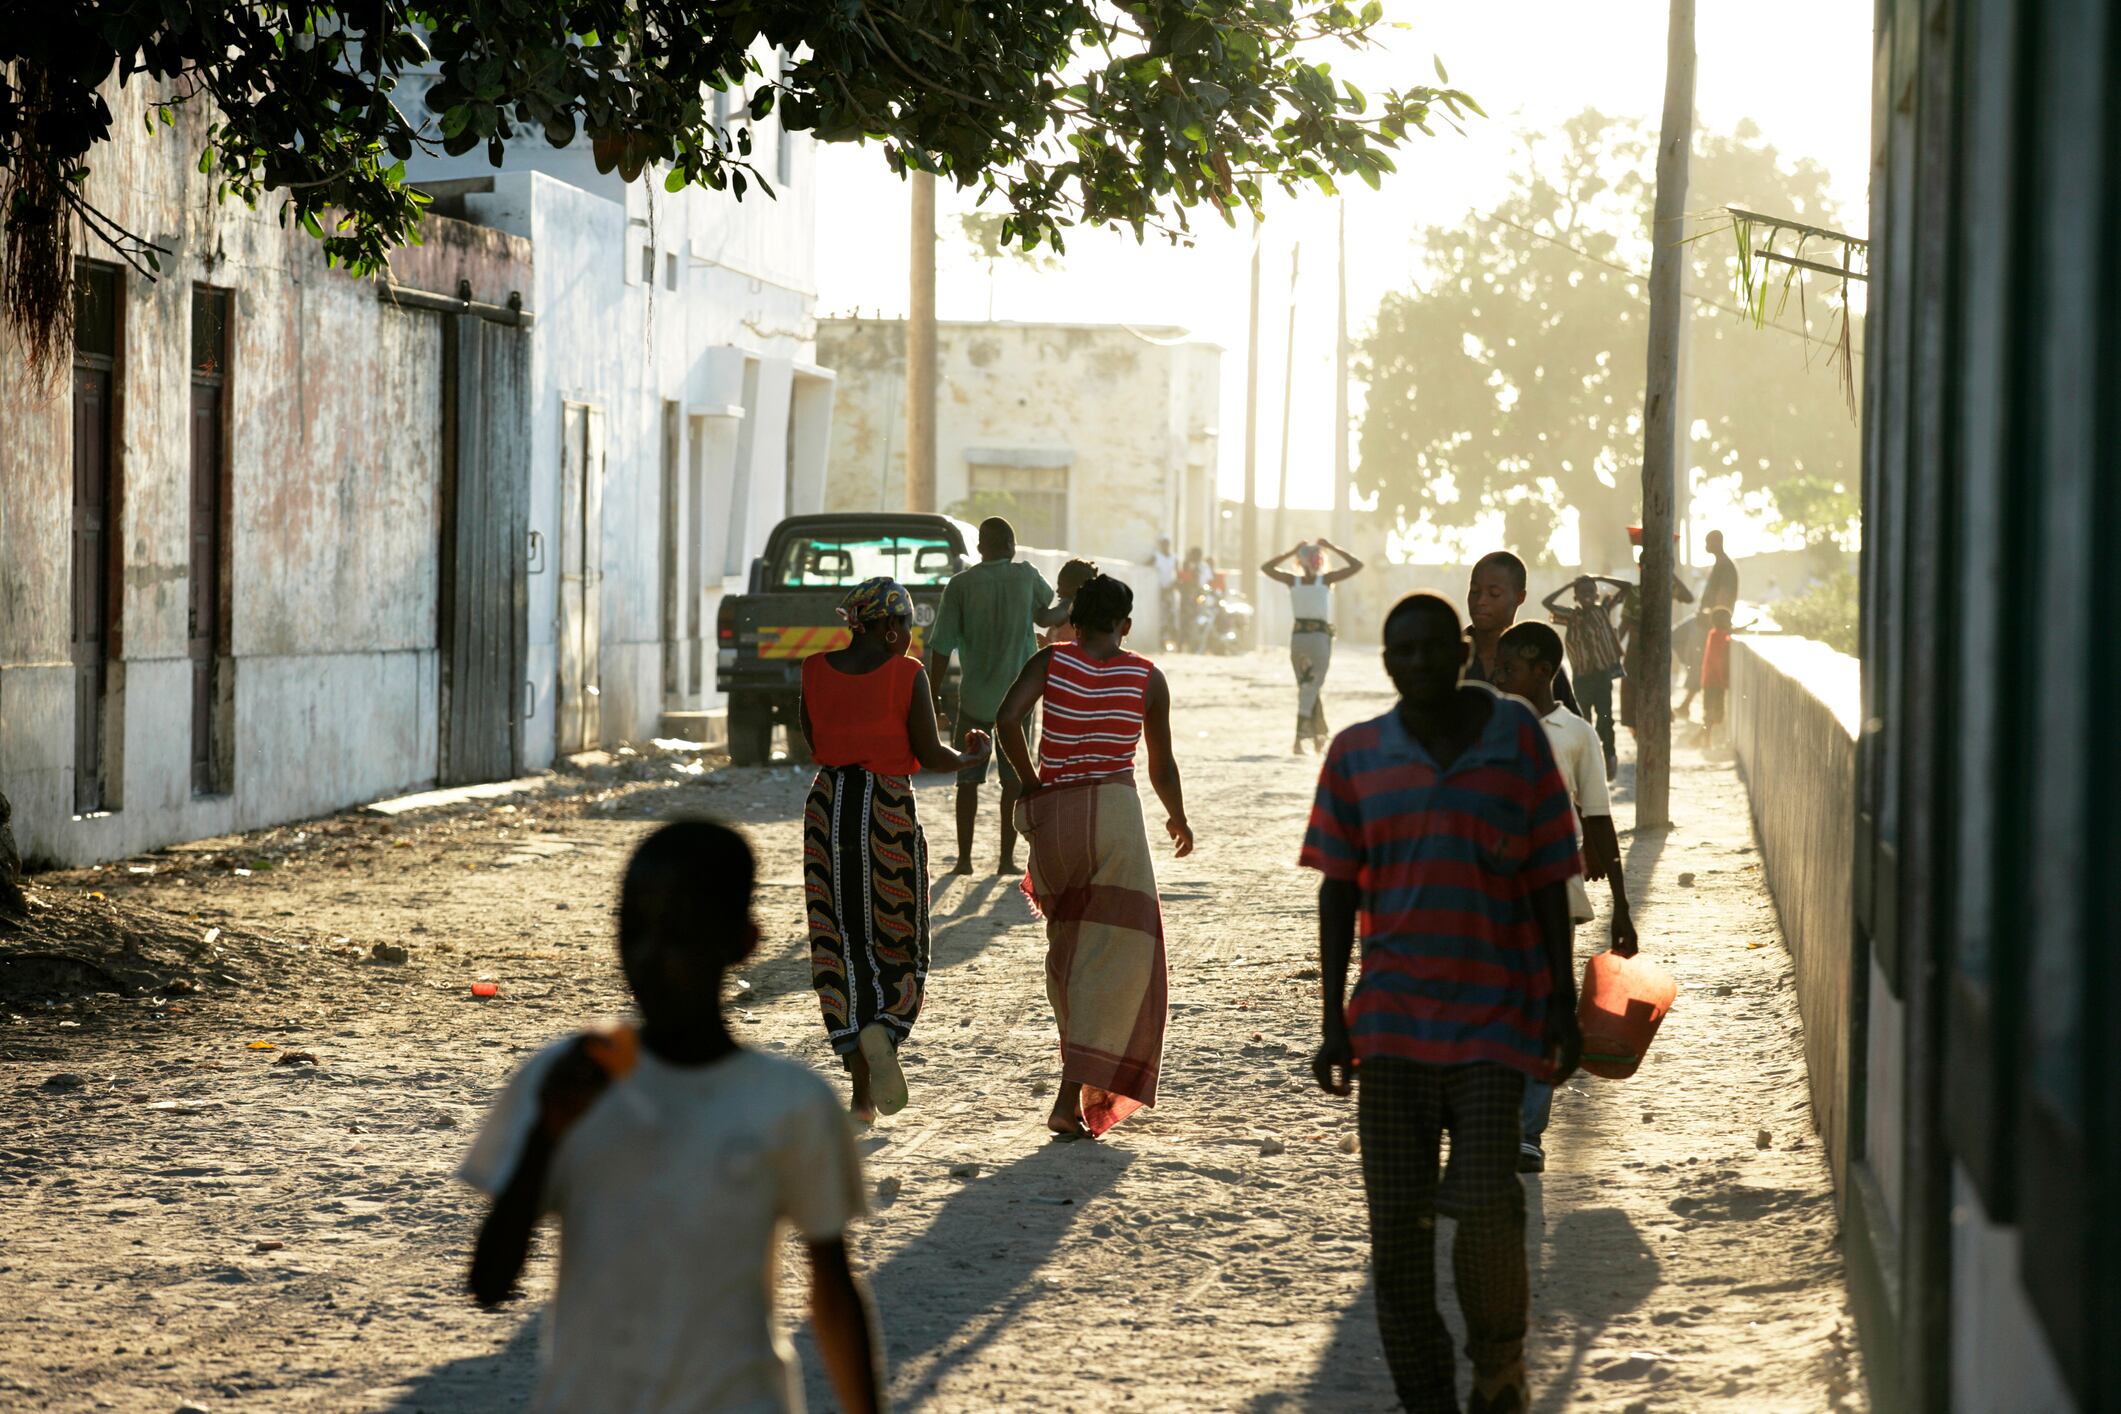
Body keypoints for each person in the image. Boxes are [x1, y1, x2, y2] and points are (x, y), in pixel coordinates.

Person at [461, 821, 882, 1414]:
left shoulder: (789, 1103)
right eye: (634, 932)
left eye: (681, 934)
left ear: (743, 941)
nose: (651, 957)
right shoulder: (565, 1083)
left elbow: (833, 1290)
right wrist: (544, 1135)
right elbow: (489, 1284)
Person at [1304, 592, 1582, 1414]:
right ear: (1386, 663)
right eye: (1402, 653)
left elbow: (1546, 880)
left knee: (1490, 1208)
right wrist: (1330, 1022)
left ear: (1459, 652)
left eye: (1432, 648)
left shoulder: (1515, 741)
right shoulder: (1358, 754)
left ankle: (1498, 1366)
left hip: (1495, 1019)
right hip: (1388, 1030)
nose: (1418, 663)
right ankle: (1428, 1397)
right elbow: (1335, 892)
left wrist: (1560, 1007)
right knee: (1396, 1240)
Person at [996, 574, 1192, 1139]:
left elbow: (1006, 720)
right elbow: (1161, 765)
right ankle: (1069, 1096)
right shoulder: (1147, 677)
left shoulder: (1051, 661)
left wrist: (1032, 782)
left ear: (1075, 622)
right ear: (1125, 624)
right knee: (1118, 961)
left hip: (1056, 822)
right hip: (1114, 819)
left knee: (1071, 948)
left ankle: (1073, 1088)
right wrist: (1177, 817)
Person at [801, 577, 991, 1120]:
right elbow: (930, 753)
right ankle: (887, 1026)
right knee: (901, 938)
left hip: (828, 809)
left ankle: (860, 1094)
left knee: (839, 940)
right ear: (889, 630)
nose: (910, 637)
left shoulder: (813, 670)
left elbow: (815, 742)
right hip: (886, 811)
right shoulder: (908, 675)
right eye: (906, 626)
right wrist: (971, 759)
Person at [1491, 622, 1638, 1175]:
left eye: (1510, 669)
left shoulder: (1575, 735)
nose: (1500, 677)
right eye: (1498, 668)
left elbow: (1598, 818)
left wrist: (1621, 905)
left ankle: (1528, 1130)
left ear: (1543, 671)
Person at [925, 517, 1071, 875]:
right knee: (1013, 781)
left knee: (967, 781)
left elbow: (941, 648)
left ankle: (964, 860)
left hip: (974, 699)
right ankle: (1006, 860)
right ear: (1010, 545)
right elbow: (1046, 613)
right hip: (1017, 700)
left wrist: (933, 696)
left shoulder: (960, 586)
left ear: (979, 549)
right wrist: (1075, 599)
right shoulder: (1025, 576)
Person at [1262, 538, 1366, 754]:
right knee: (1310, 687)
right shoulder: (1310, 581)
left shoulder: (1312, 581)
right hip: (1311, 638)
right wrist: (1295, 550)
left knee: (1309, 687)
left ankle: (1313, 737)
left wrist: (1328, 547)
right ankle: (1304, 738)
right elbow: (1265, 568)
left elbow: (1357, 565)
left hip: (1306, 638)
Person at [1464, 550, 1578, 717]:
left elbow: (1571, 730)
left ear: (1520, 597)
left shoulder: (1539, 660)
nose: (1481, 601)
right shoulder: (1447, 655)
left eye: (1494, 593)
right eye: (1474, 591)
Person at [1541, 574, 1629, 779]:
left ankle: (1609, 754)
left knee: (1605, 717)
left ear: (1596, 594)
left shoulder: (1603, 610)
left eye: (1591, 592)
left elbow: (1626, 587)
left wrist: (1600, 577)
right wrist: (1569, 584)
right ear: (1576, 597)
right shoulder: (1571, 616)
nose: (1587, 596)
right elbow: (1547, 603)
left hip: (1602, 675)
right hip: (1581, 678)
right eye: (1582, 592)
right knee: (1583, 719)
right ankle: (1585, 761)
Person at [1617, 528, 1694, 734]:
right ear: (1640, 566)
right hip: (1636, 648)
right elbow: (1624, 624)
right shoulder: (1634, 591)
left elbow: (1689, 597)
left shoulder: (1666, 588)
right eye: (1646, 565)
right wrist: (1613, 649)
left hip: (1659, 646)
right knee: (1632, 688)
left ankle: (1658, 728)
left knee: (1658, 688)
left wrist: (1669, 572)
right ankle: (1636, 732)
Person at [1679, 528, 1739, 721]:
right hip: (1701, 619)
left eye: (1708, 542)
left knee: (1702, 665)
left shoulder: (1726, 567)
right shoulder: (1718, 565)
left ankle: (1688, 704)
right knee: (1677, 639)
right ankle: (1688, 696)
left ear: (1717, 542)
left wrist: (1716, 621)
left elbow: (1723, 597)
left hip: (1710, 623)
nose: (1706, 546)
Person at [1042, 557, 1100, 648]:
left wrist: (1031, 606)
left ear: (1075, 589)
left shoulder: (1067, 606)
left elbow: (1044, 620)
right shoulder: (1088, 615)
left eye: (1061, 585)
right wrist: (1045, 643)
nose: (1057, 590)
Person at [1700, 606, 1736, 748]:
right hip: (1715, 681)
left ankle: (1702, 737)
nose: (1730, 622)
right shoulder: (1719, 636)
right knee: (1715, 712)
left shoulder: (1714, 633)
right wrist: (1723, 680)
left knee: (1712, 711)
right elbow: (1717, 661)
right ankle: (1704, 739)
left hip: (1710, 680)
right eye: (1728, 620)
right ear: (1721, 622)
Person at [1151, 537, 1180, 649]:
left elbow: (1178, 574)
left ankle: (1175, 642)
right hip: (1160, 590)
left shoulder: (1174, 558)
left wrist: (1172, 586)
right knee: (1161, 616)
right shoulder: (1157, 557)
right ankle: (1162, 641)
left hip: (1170, 590)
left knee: (1172, 615)